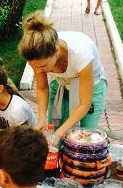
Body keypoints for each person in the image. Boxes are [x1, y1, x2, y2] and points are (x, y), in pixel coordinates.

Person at [18, 11, 107, 140]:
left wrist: (59, 133)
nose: (38, 71)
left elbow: (84, 104)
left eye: (42, 66)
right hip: (62, 84)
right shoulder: (37, 56)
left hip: (91, 88)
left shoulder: (81, 53)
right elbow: (42, 88)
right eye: (34, 66)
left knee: (81, 139)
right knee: (54, 132)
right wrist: (41, 118)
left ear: (56, 51)